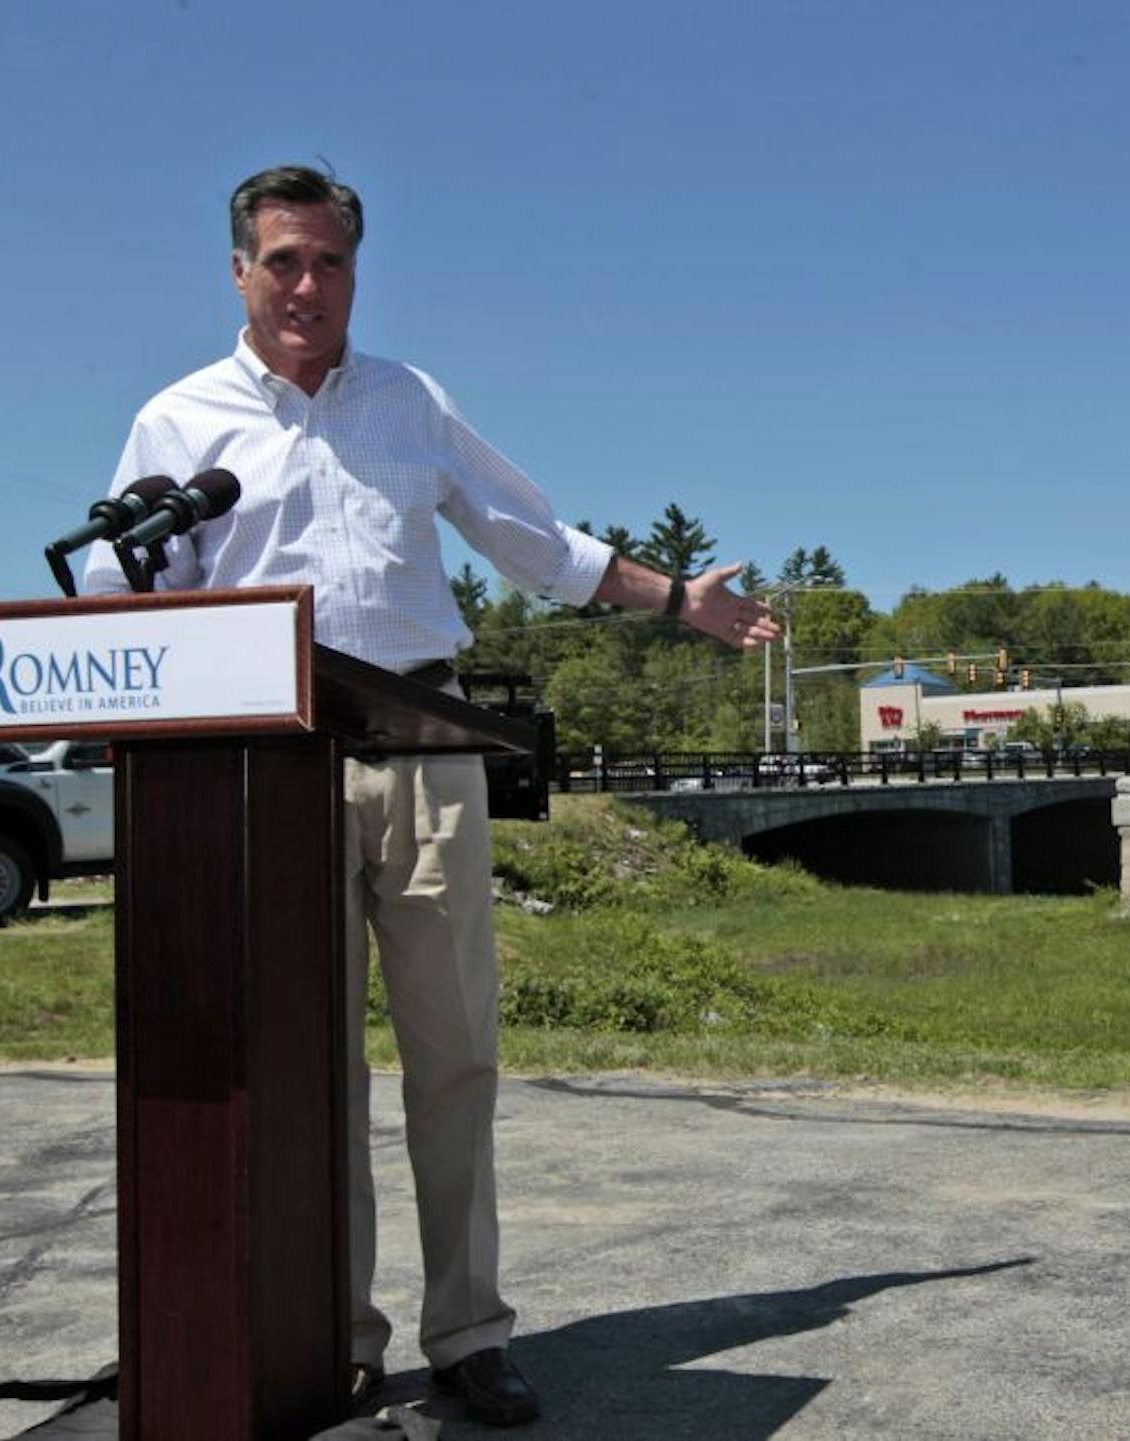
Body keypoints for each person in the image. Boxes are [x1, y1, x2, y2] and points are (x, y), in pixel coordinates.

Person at [82, 164, 778, 1426]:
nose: (307, 286)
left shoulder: (408, 402)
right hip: (266, 777)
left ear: (356, 270)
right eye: (283, 261)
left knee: (454, 1055)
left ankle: (469, 1330)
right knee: (312, 1073)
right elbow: (127, 607)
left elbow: (533, 540)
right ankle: (330, 1332)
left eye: (330, 262)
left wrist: (677, 599)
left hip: (423, 751)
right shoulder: (174, 423)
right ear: (238, 270)